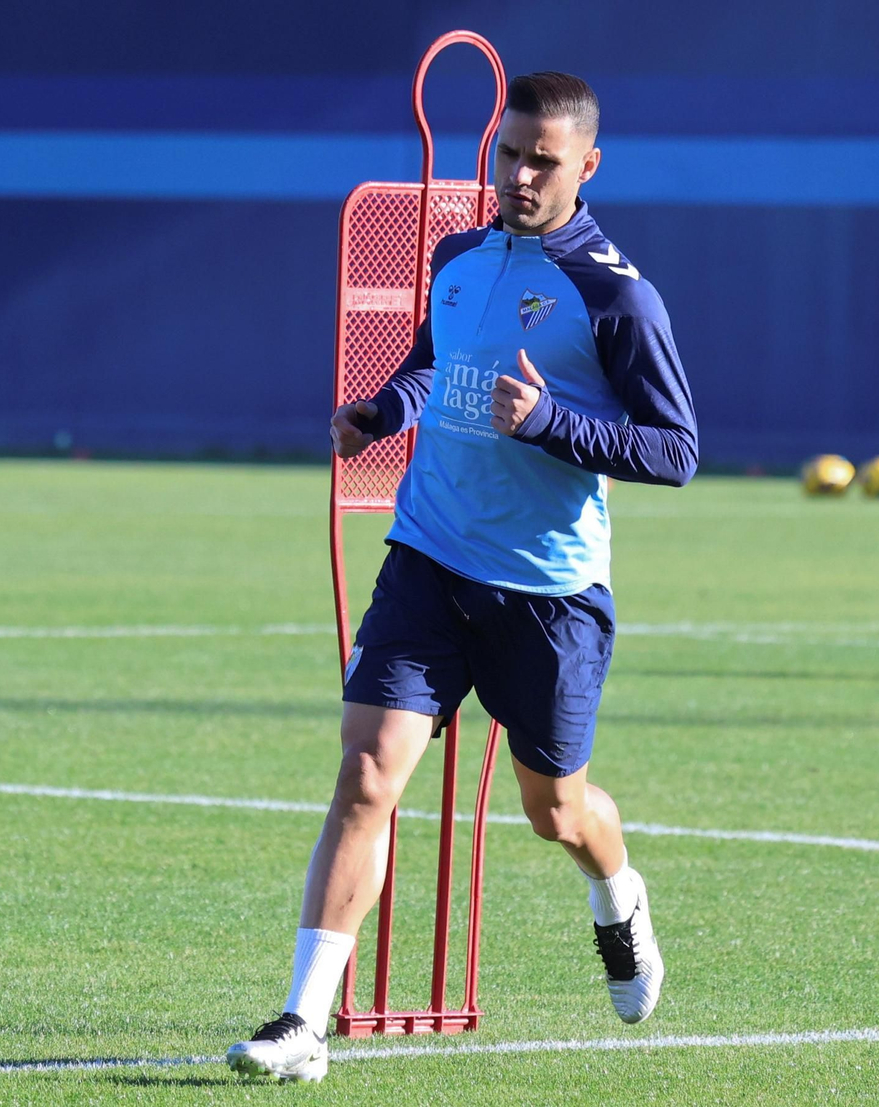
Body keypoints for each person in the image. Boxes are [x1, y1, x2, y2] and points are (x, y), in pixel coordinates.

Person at [226, 71, 698, 1083]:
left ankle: (618, 896)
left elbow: (675, 450)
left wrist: (552, 426)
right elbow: (437, 364)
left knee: (555, 811)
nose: (521, 175)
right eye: (509, 153)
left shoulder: (617, 293)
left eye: (545, 160)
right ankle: (302, 1023)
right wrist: (381, 413)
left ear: (587, 168)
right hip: (429, 557)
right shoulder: (456, 254)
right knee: (365, 775)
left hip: (547, 594)